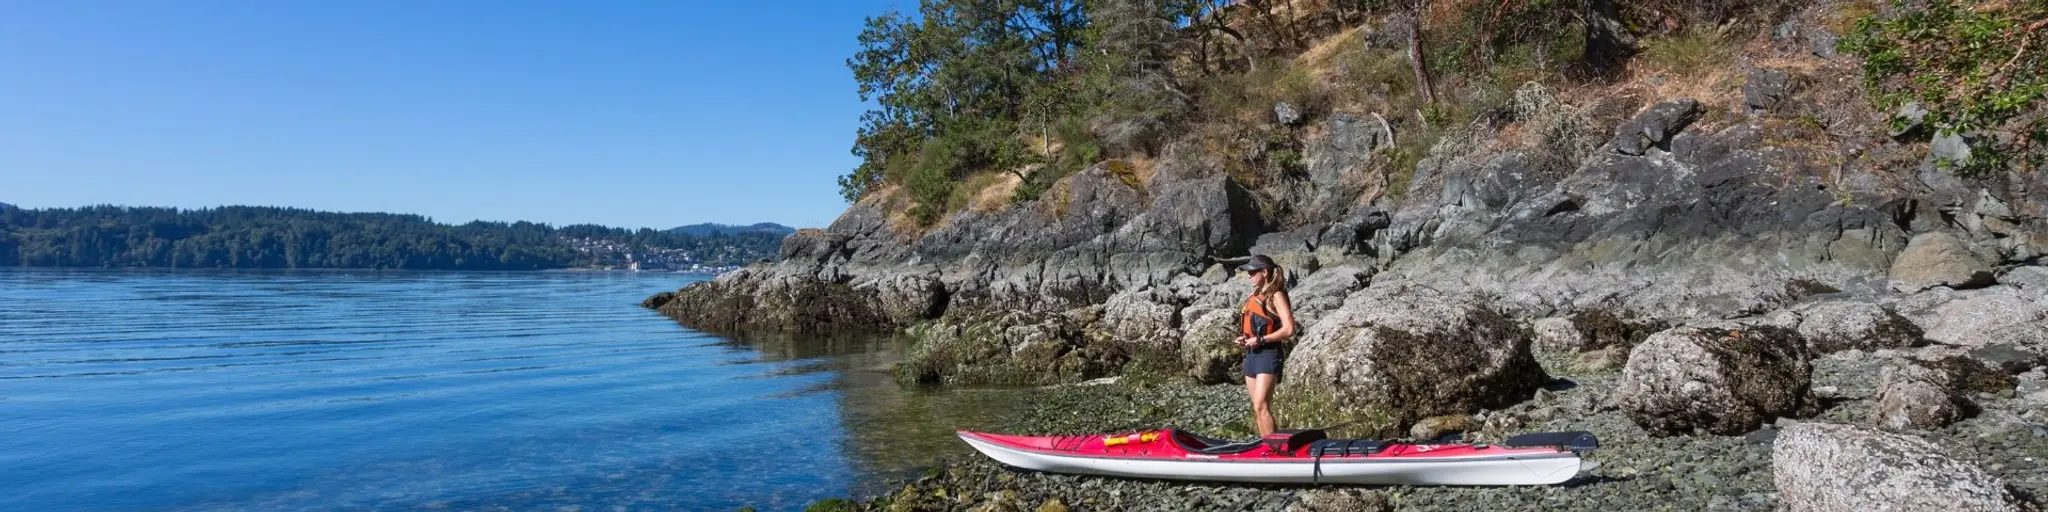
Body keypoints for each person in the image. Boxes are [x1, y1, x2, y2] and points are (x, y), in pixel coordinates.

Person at [1236, 254, 1295, 437]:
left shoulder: (1276, 295)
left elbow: (1288, 329)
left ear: (1264, 272)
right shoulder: (1254, 295)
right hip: (1251, 355)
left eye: (1253, 272)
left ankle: (1275, 452)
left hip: (1268, 355)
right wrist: (1244, 338)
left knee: (1261, 405)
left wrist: (1261, 340)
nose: (1249, 275)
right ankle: (1267, 446)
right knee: (1258, 408)